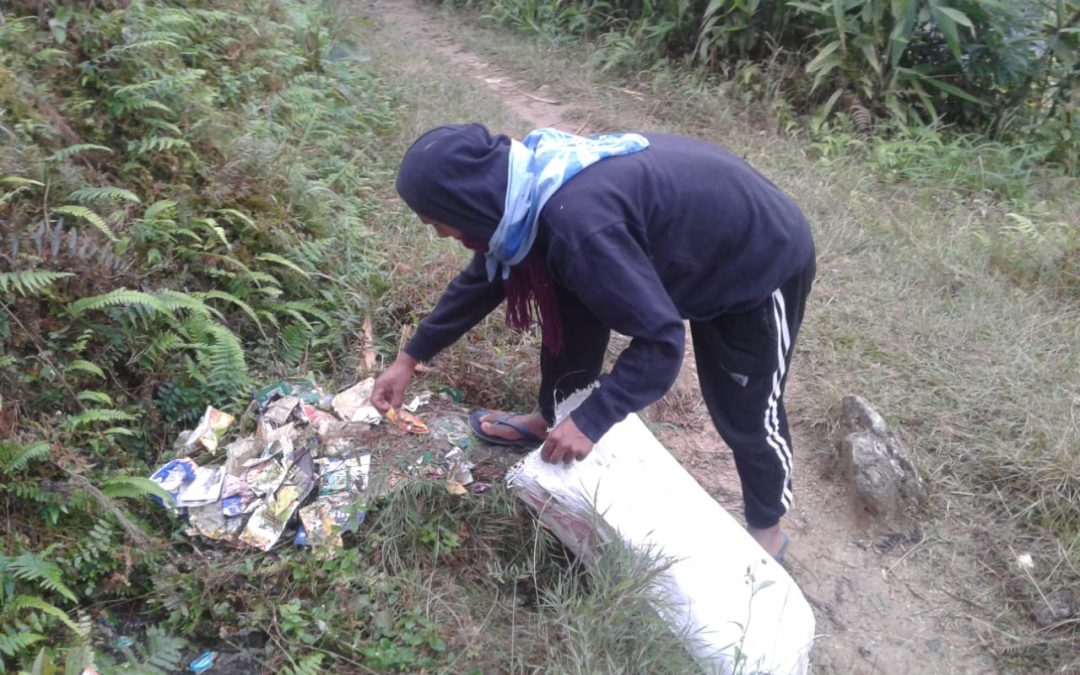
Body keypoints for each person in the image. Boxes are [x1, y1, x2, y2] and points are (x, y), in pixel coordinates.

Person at [371, 123, 815, 560]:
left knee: (747, 410)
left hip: (757, 259)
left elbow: (661, 340)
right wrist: (410, 358)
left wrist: (592, 420)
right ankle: (550, 417)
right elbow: (483, 281)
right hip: (687, 247)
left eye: (436, 222)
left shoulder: (579, 225)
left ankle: (767, 532)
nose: (441, 234)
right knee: (567, 301)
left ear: (464, 201)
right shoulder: (524, 199)